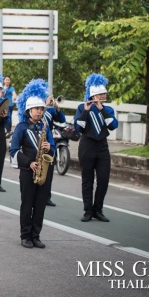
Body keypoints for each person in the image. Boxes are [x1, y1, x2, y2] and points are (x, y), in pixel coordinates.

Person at [10, 79, 56, 249]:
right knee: (27, 203)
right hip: (28, 171)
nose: (40, 112)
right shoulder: (21, 127)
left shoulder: (45, 126)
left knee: (40, 204)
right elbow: (14, 150)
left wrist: (49, 147)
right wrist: (29, 163)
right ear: (29, 110)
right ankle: (25, 235)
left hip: (44, 170)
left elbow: (53, 148)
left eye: (42, 109)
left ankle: (36, 235)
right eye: (37, 109)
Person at [73, 73, 118, 223]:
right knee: (87, 179)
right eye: (101, 93)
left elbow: (113, 125)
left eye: (104, 93)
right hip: (87, 145)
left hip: (102, 146)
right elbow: (79, 128)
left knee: (103, 179)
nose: (104, 95)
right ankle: (88, 210)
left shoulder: (108, 109)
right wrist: (86, 111)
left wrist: (102, 110)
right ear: (94, 94)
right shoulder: (82, 107)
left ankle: (98, 209)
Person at [42, 93, 66, 207]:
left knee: (49, 171)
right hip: (37, 137)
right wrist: (45, 106)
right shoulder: (36, 106)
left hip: (49, 139)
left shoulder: (51, 110)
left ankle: (47, 197)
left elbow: (62, 120)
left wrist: (58, 108)